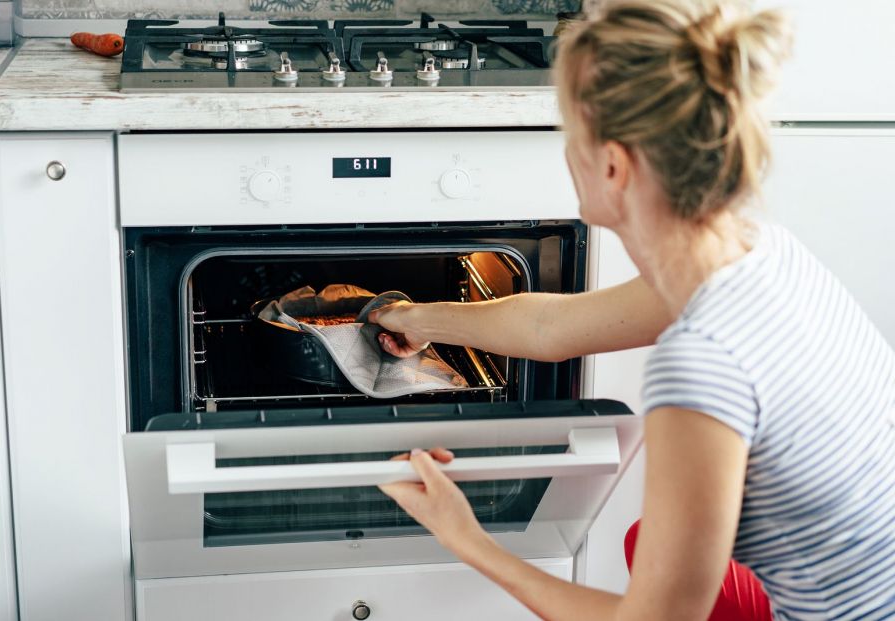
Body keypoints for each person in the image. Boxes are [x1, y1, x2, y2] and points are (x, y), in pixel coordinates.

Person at [367, 1, 895, 619]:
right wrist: (414, 318)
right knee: (650, 539)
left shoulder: (701, 361)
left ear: (613, 166)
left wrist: (467, 538)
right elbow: (551, 326)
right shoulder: (754, 251)